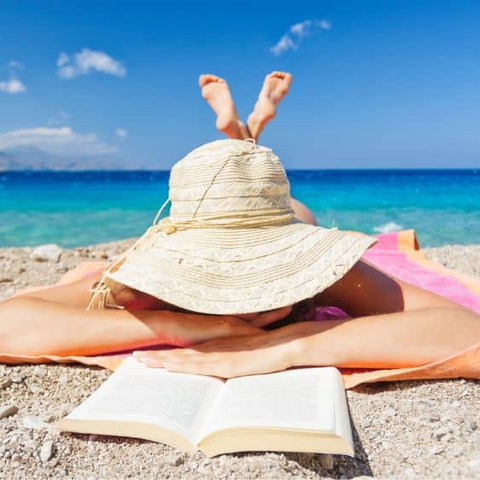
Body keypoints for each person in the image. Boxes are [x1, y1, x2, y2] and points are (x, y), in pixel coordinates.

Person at [1, 73, 479, 380]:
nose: (239, 291)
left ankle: (245, 136)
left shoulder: (319, 272)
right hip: (262, 221)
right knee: (261, 194)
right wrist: (174, 324)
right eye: (220, 274)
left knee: (292, 209)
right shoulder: (147, 287)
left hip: (286, 219)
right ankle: (247, 133)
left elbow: (466, 330)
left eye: (253, 270)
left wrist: (287, 345)